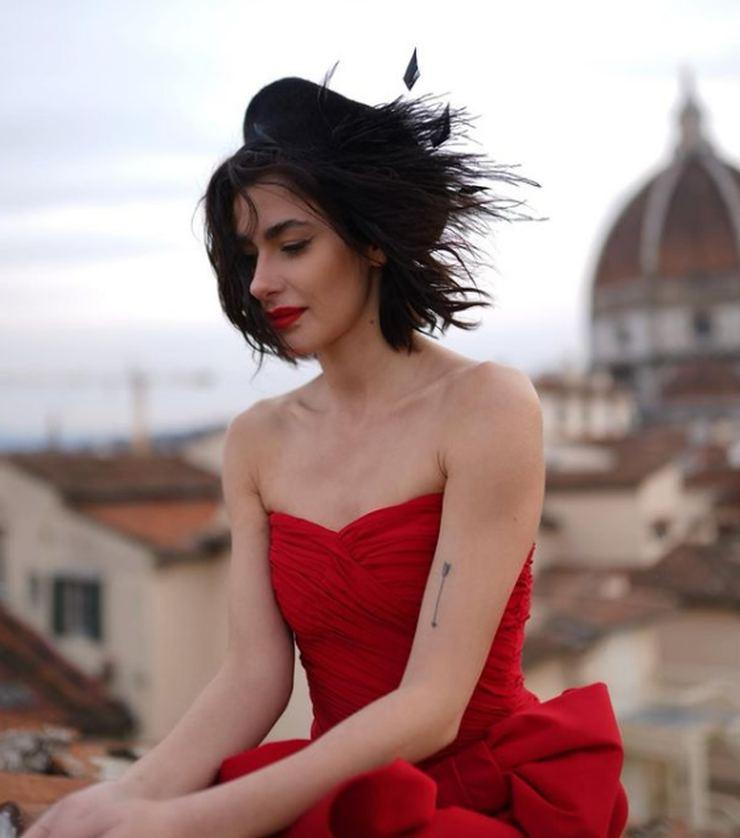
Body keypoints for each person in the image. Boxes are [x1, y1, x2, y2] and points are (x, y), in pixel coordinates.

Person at [24, 53, 629, 838]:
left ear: (370, 242)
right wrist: (127, 797)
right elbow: (253, 679)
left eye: (292, 244)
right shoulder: (256, 441)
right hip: (334, 794)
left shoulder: (487, 407)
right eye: (249, 255)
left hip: (476, 800)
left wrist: (191, 821)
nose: (260, 282)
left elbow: (433, 706)